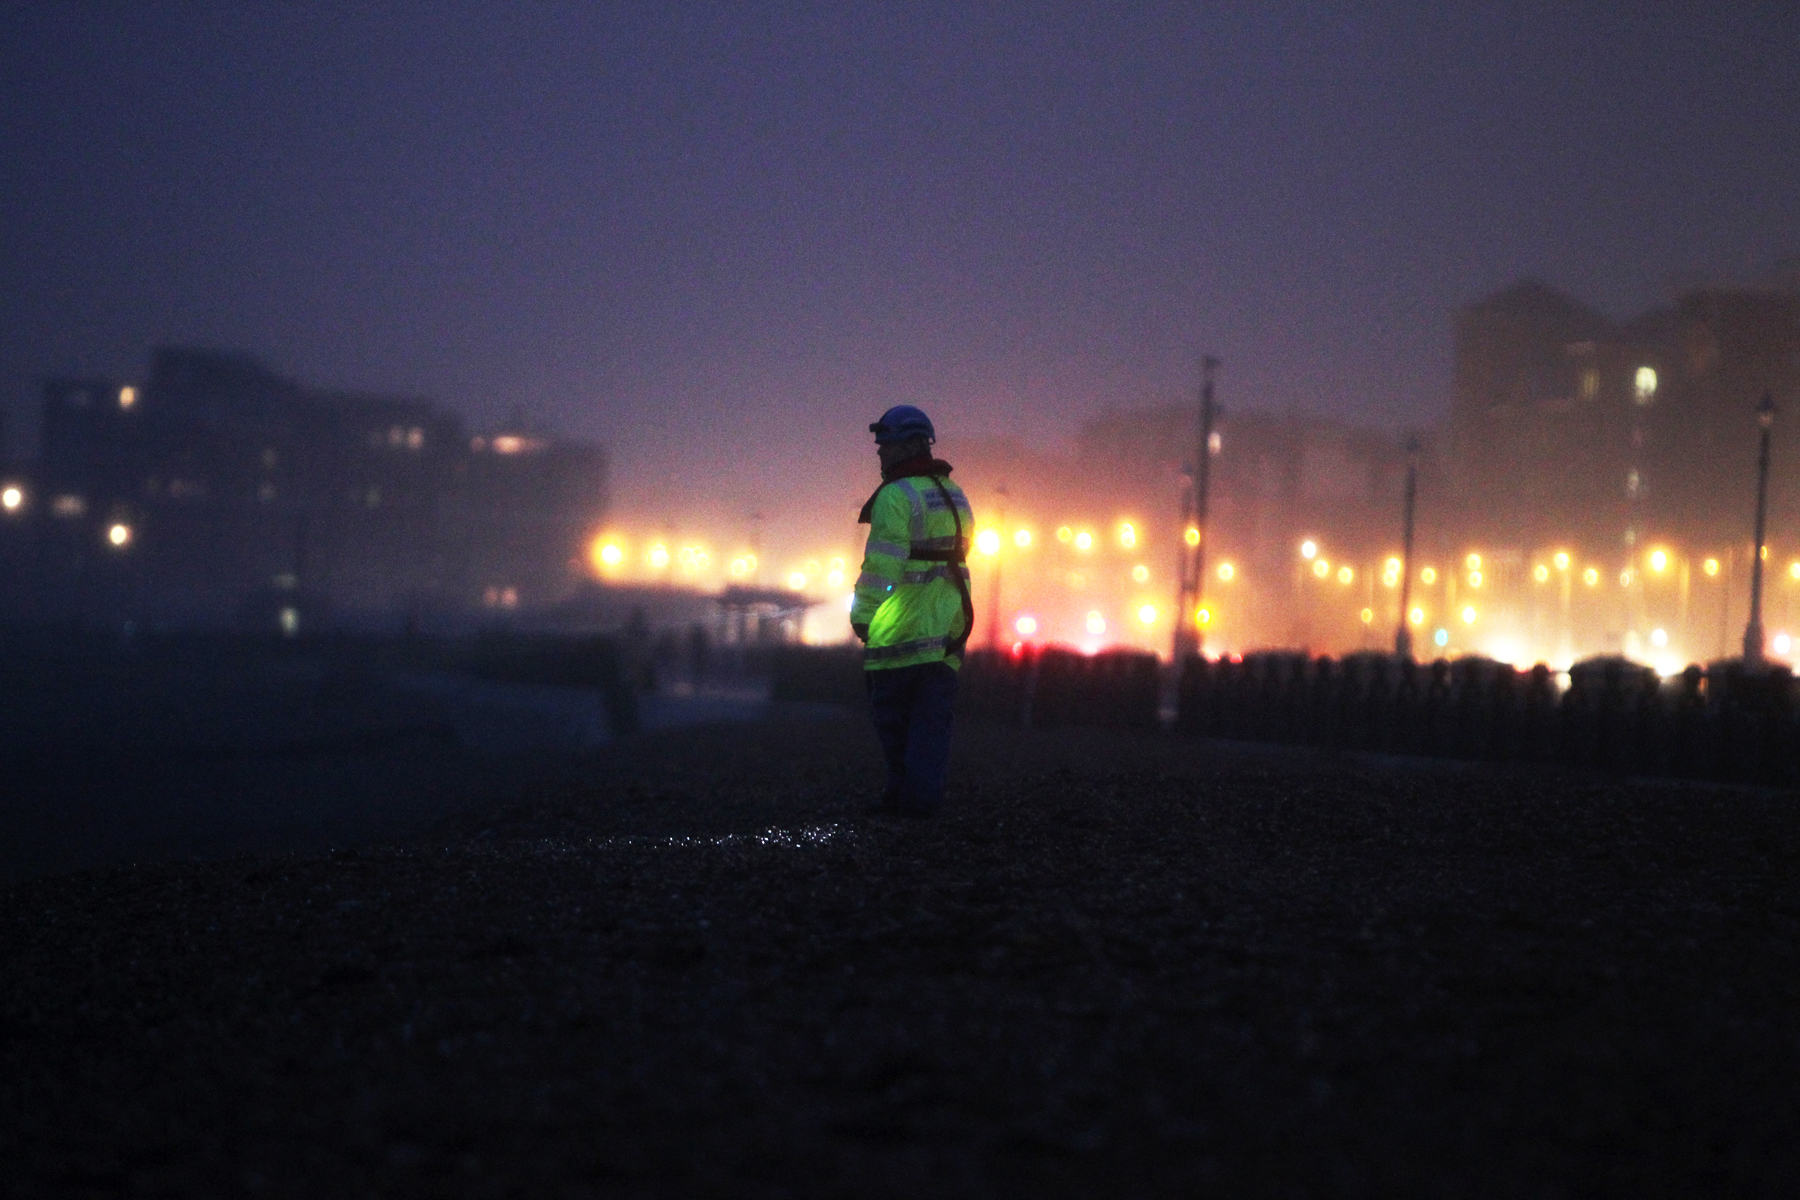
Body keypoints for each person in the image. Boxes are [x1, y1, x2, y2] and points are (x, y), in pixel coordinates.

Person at [851, 405, 975, 817]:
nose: (880, 453)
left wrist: (864, 617)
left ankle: (904, 798)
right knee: (932, 724)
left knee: (894, 722)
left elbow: (881, 568)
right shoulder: (954, 494)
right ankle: (921, 801)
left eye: (886, 445)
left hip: (900, 632)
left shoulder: (895, 496)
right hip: (946, 635)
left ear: (908, 445)